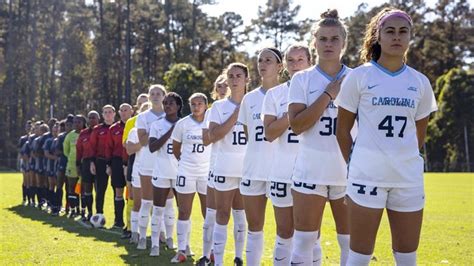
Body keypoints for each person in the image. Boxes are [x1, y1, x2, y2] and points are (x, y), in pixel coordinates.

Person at [335, 8, 438, 265]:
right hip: (366, 177)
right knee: (359, 257)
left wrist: (399, 158)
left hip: (408, 179)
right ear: (377, 36)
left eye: (403, 31)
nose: (396, 37)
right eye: (389, 31)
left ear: (410, 37)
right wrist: (358, 163)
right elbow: (342, 131)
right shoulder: (359, 76)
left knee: (407, 258)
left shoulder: (420, 82)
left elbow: (419, 135)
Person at [288, 9, 352, 265]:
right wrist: (327, 95)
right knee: (303, 242)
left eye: (334, 39)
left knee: (350, 244)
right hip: (310, 170)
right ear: (314, 42)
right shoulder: (302, 79)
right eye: (323, 39)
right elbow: (296, 125)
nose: (328, 44)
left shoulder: (357, 77)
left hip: (348, 171)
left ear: (343, 43)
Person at [262, 43, 312, 265]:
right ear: (284, 66)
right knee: (284, 232)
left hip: (311, 171)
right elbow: (269, 134)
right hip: (282, 171)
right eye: (290, 60)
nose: (296, 65)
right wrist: (292, 116)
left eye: (300, 60)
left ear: (310, 62)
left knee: (311, 235)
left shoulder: (320, 93)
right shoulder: (275, 94)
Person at [198, 74, 247, 266]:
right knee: (214, 215)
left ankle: (238, 257)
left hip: (243, 168)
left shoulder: (251, 102)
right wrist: (233, 119)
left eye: (225, 85)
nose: (223, 88)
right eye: (220, 85)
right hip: (217, 167)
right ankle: (207, 255)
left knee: (240, 215)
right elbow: (207, 139)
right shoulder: (215, 109)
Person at [169, 93, 211, 263]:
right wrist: (186, 163)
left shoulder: (211, 122)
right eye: (193, 104)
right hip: (186, 172)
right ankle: (181, 251)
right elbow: (175, 148)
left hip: (206, 173)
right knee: (184, 211)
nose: (196, 107)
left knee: (208, 213)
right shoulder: (183, 123)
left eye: (200, 103)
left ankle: (210, 251)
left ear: (206, 105)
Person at [148, 92, 183, 257]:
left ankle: (180, 243)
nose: (167, 105)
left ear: (178, 106)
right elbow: (152, 147)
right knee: (158, 209)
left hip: (180, 173)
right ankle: (155, 244)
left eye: (171, 103)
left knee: (183, 210)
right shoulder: (157, 124)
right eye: (165, 103)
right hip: (161, 171)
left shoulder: (185, 124)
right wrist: (170, 132)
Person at [135, 85, 167, 250]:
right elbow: (142, 141)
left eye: (158, 94)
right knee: (146, 202)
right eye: (152, 94)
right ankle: (142, 237)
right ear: (148, 97)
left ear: (164, 96)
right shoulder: (142, 117)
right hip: (147, 163)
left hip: (165, 164)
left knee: (165, 205)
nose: (155, 96)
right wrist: (156, 127)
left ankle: (164, 237)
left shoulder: (171, 116)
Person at [122, 93, 149, 239]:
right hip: (136, 164)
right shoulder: (132, 124)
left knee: (155, 201)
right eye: (142, 105)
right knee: (133, 199)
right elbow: (127, 146)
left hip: (156, 168)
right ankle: (132, 230)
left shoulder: (160, 124)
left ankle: (159, 234)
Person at [106, 103, 133, 229]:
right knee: (118, 192)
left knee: (131, 193)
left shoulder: (136, 125)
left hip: (132, 161)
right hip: (116, 162)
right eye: (121, 110)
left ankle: (131, 223)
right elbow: (109, 148)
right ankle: (118, 220)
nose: (123, 112)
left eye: (126, 110)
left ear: (131, 111)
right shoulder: (113, 128)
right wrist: (108, 165)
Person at [90, 105, 116, 219]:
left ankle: (118, 219)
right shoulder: (97, 129)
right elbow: (92, 147)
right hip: (100, 162)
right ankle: (99, 214)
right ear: (102, 115)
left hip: (115, 162)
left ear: (114, 113)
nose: (108, 114)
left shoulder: (118, 128)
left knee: (117, 190)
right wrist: (92, 162)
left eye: (110, 112)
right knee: (100, 190)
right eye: (105, 112)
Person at [76, 111, 100, 221]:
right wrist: (77, 164)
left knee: (99, 189)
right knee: (87, 189)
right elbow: (79, 150)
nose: (92, 120)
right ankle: (89, 212)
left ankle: (99, 213)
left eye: (94, 117)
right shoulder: (83, 133)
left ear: (98, 118)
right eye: (90, 118)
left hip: (99, 162)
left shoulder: (102, 130)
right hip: (86, 163)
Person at [64, 115, 86, 218]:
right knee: (71, 188)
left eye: (79, 122)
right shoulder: (70, 136)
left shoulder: (87, 134)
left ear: (83, 123)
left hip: (84, 165)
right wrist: (73, 158)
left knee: (83, 189)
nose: (76, 124)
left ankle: (82, 210)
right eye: (75, 122)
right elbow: (66, 150)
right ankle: (73, 209)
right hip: (71, 166)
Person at [55, 116, 74, 214]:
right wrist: (66, 152)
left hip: (72, 165)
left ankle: (68, 207)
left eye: (70, 125)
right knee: (59, 185)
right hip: (62, 163)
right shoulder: (61, 136)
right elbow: (57, 150)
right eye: (67, 125)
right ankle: (57, 206)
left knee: (69, 187)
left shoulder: (76, 135)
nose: (68, 127)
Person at [43, 122, 60, 213]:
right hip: (51, 166)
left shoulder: (61, 139)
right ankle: (50, 203)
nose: (55, 131)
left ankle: (58, 204)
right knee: (51, 185)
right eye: (54, 130)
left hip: (59, 166)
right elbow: (46, 154)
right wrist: (56, 158)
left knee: (59, 186)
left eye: (57, 130)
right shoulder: (48, 141)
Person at [19, 121, 32, 205]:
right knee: (25, 180)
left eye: (30, 127)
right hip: (24, 161)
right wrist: (23, 158)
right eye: (27, 127)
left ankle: (31, 199)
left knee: (31, 181)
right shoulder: (23, 138)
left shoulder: (33, 138)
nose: (29, 129)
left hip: (32, 161)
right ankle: (24, 198)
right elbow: (20, 150)